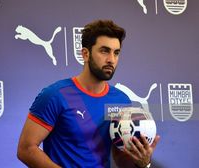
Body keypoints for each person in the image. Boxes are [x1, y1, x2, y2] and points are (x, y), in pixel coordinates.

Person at [17, 19, 160, 168]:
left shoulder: (121, 100)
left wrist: (143, 163)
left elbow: (119, 157)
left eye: (116, 53)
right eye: (104, 51)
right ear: (85, 54)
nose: (111, 59)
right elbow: (26, 149)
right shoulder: (55, 95)